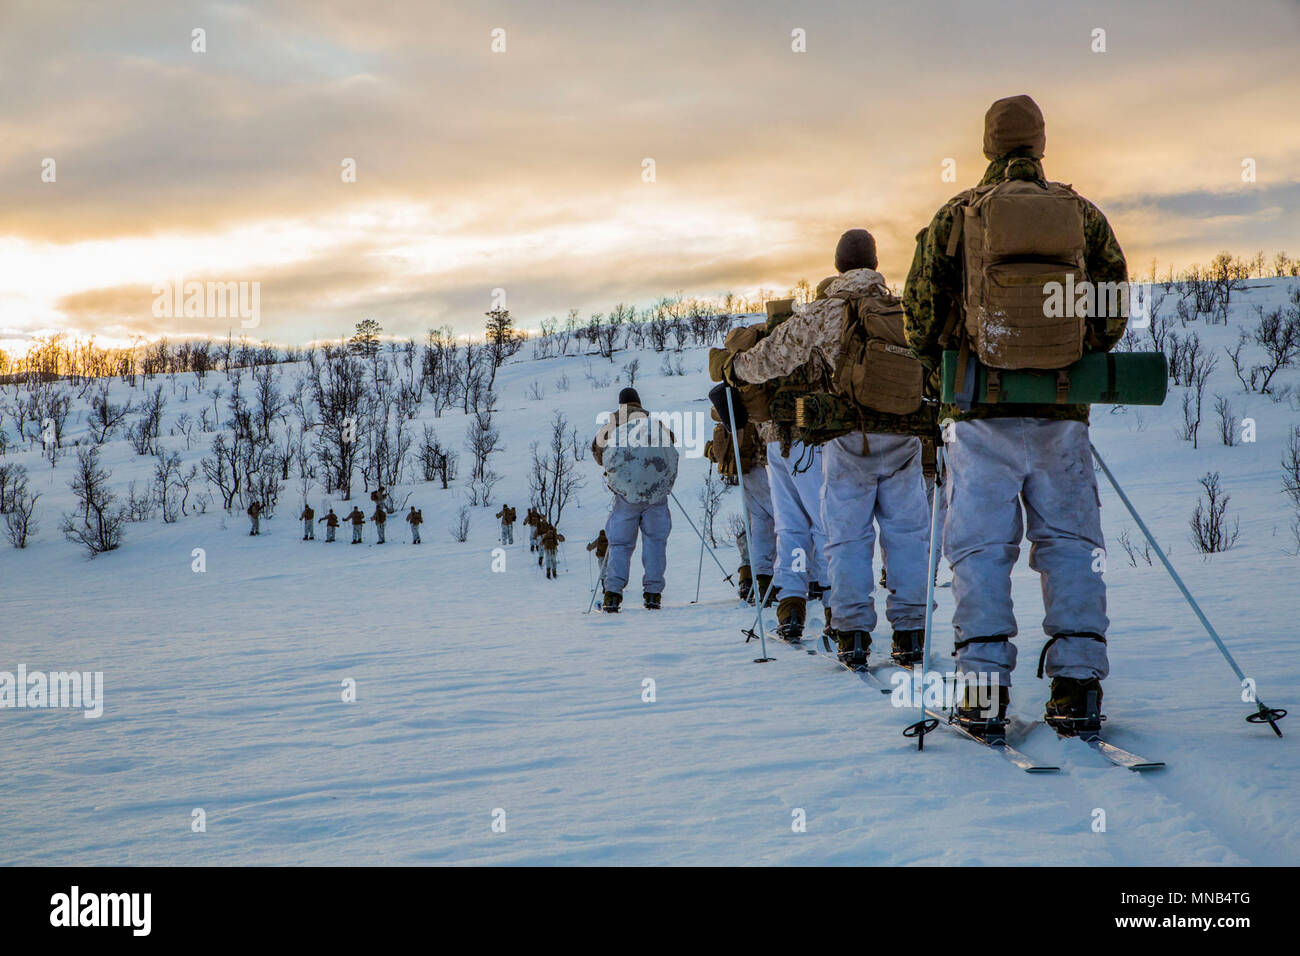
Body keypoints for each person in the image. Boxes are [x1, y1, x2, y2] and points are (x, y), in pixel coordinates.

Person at [903, 93, 1128, 737]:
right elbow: (1112, 305)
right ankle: (1078, 683)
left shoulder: (955, 216)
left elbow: (919, 312)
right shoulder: (1081, 215)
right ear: (1040, 144)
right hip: (1061, 416)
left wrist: (948, 370)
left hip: (979, 414)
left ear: (987, 146)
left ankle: (980, 689)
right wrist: (1070, 357)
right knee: (1072, 545)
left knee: (978, 549)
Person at [723, 234, 934, 668]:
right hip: (905, 439)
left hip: (847, 440)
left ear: (838, 266)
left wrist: (734, 369)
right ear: (876, 263)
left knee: (847, 538)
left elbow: (769, 358)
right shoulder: (906, 310)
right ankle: (911, 632)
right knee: (908, 537)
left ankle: (853, 633)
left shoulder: (828, 311)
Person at [591, 387, 676, 612]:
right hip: (656, 493)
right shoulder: (653, 421)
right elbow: (672, 443)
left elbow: (598, 453)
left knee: (620, 543)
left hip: (625, 495)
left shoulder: (612, 423)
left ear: (621, 404)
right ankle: (653, 594)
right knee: (655, 541)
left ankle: (612, 594)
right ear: (638, 402)